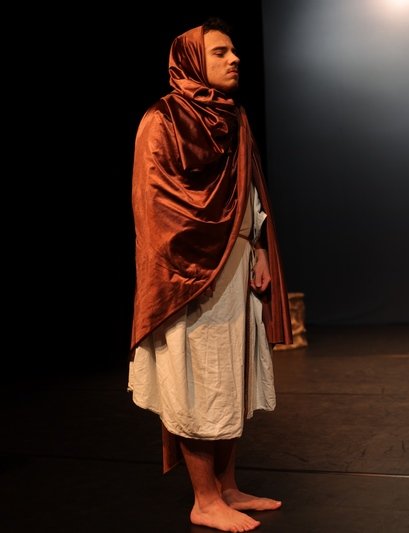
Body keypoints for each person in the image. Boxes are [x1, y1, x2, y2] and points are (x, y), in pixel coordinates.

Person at [128, 17, 292, 532]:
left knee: (232, 376)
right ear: (192, 60)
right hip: (189, 273)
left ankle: (227, 487)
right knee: (198, 382)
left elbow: (251, 188)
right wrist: (198, 256)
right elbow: (155, 204)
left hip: (236, 261)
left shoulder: (234, 116)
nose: (234, 59)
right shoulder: (163, 118)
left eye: (233, 51)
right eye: (220, 52)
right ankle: (204, 499)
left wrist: (257, 245)